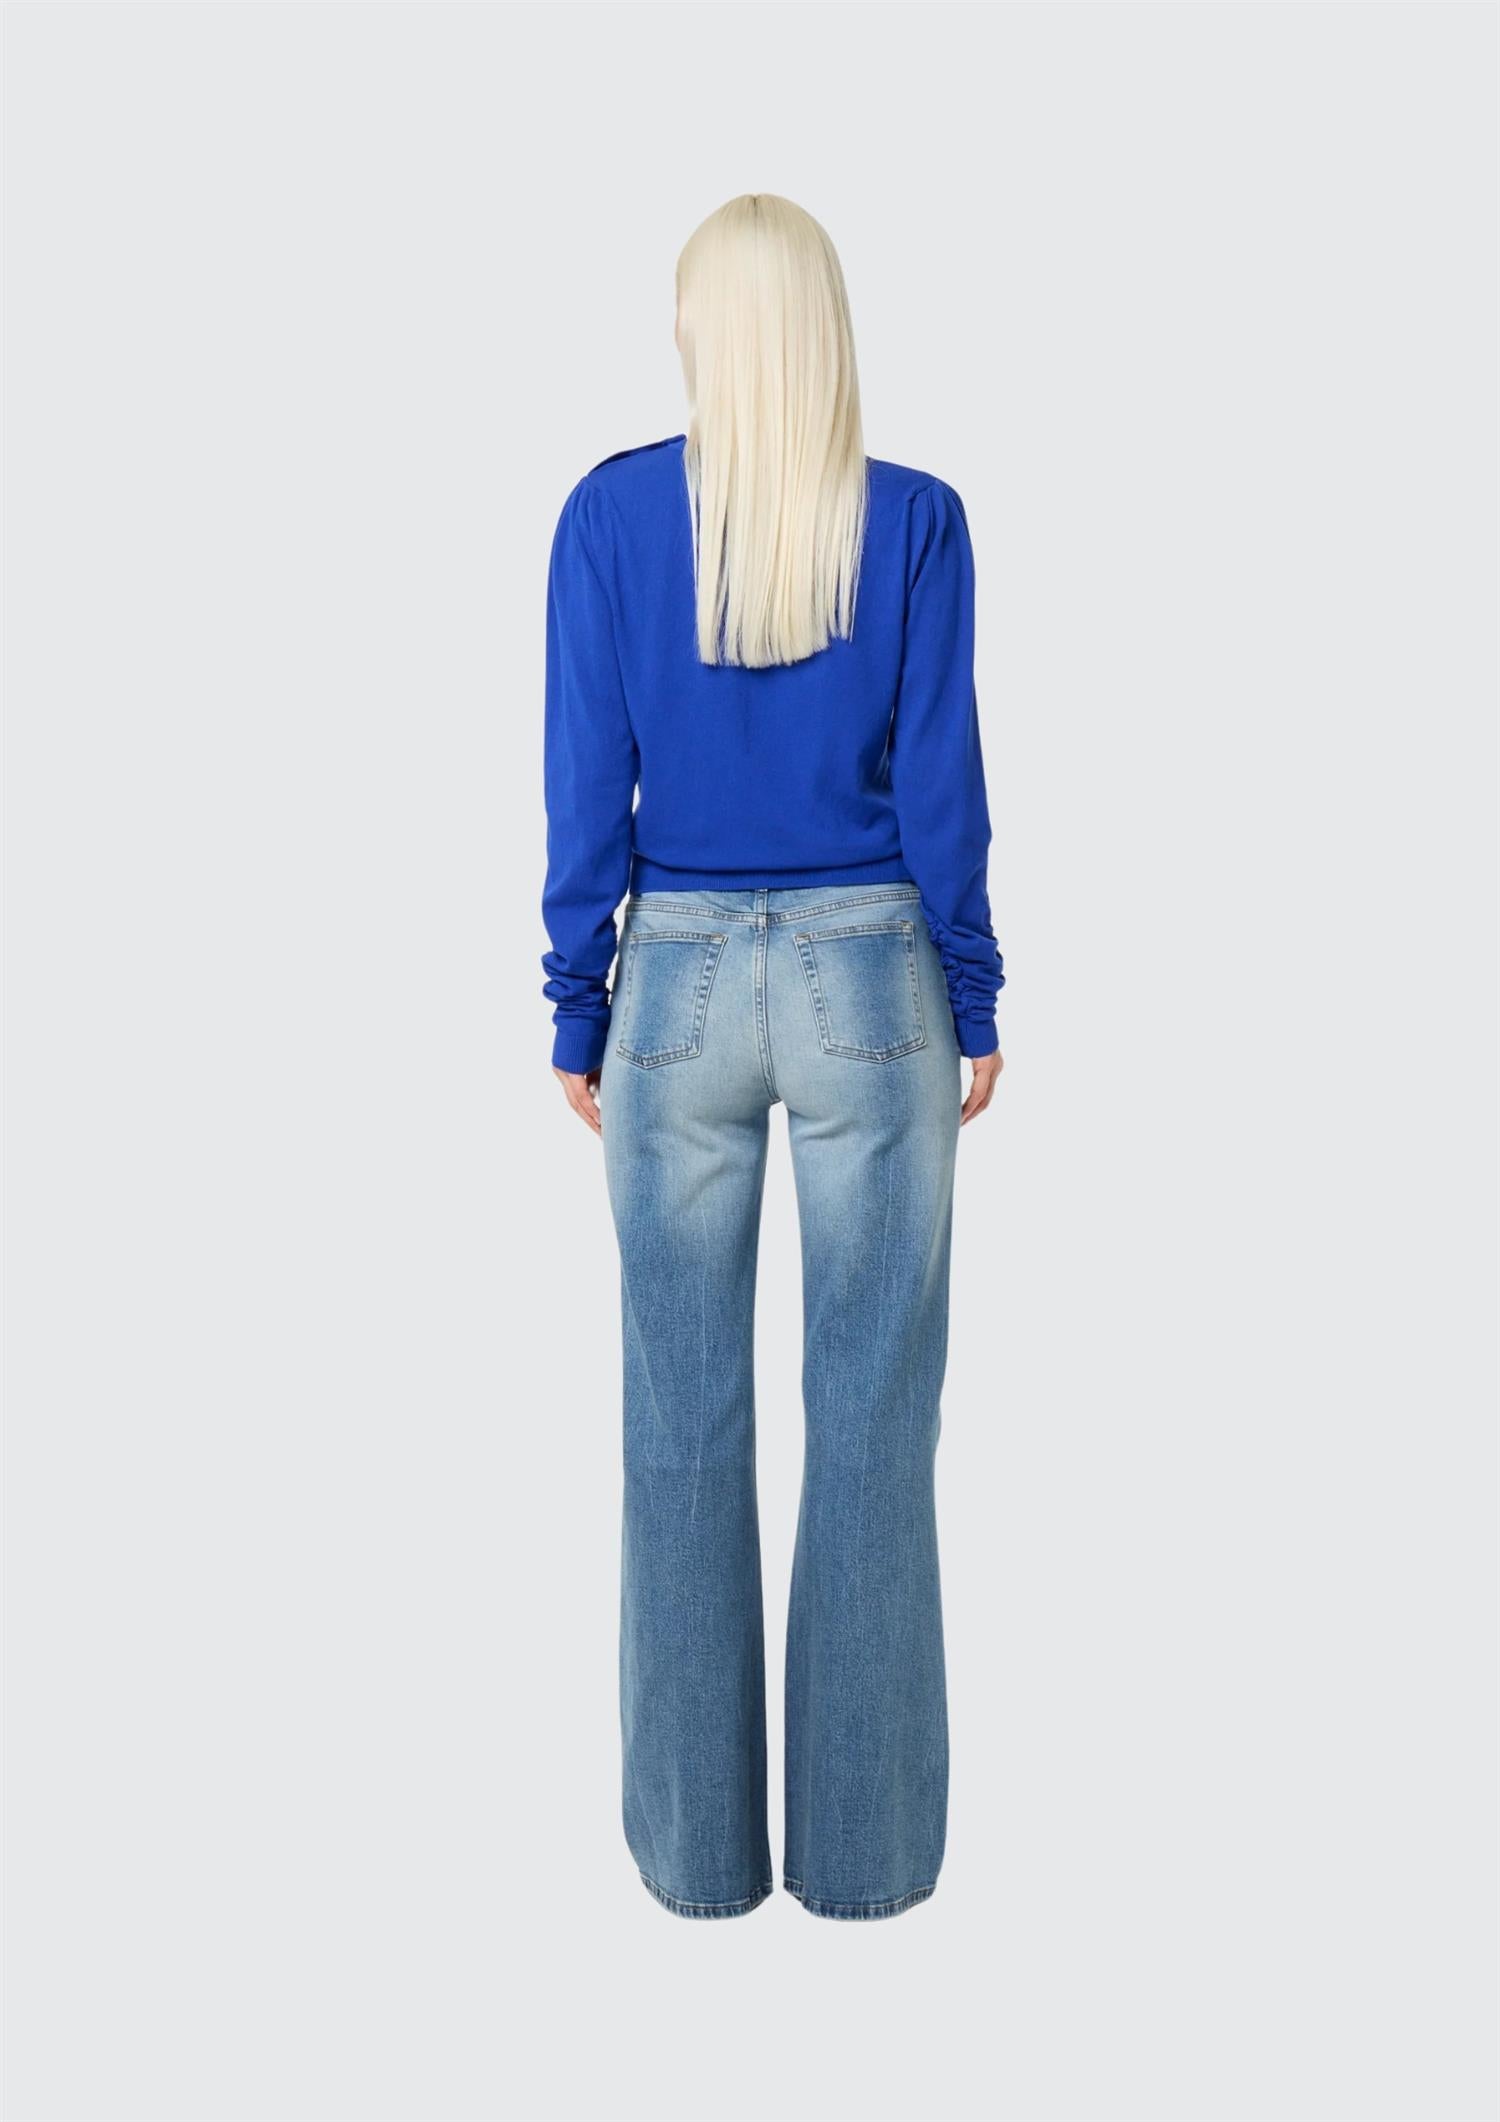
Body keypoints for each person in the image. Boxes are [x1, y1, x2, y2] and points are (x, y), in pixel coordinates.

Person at [540, 194, 1005, 1922]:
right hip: (872, 972)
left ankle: (697, 1862)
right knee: (874, 1419)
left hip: (670, 979)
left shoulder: (606, 518)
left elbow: (583, 778)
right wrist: (973, 989)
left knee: (677, 1422)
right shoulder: (917, 522)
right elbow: (944, 782)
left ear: (700, 330)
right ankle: (867, 1864)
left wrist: (577, 995)